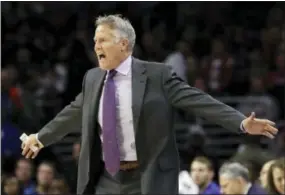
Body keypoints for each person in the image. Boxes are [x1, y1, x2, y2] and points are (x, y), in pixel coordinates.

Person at [21, 14, 278, 195]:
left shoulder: (158, 76)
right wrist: (41, 137)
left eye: (102, 40)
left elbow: (199, 101)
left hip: (147, 178)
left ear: (123, 44)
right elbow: (73, 112)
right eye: (95, 40)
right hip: (105, 179)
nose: (95, 45)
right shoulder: (92, 78)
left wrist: (241, 122)